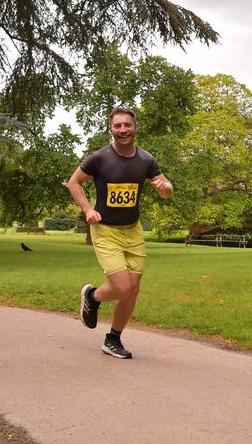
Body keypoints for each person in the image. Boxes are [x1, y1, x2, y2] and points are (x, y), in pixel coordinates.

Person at [66, 106, 173, 360]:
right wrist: (87, 209)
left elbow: (167, 189)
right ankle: (92, 296)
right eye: (117, 126)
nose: (123, 130)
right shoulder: (99, 158)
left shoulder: (146, 160)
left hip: (133, 231)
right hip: (106, 230)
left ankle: (113, 339)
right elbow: (74, 182)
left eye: (127, 125)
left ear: (135, 128)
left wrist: (165, 187)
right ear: (110, 129)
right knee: (122, 286)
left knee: (132, 289)